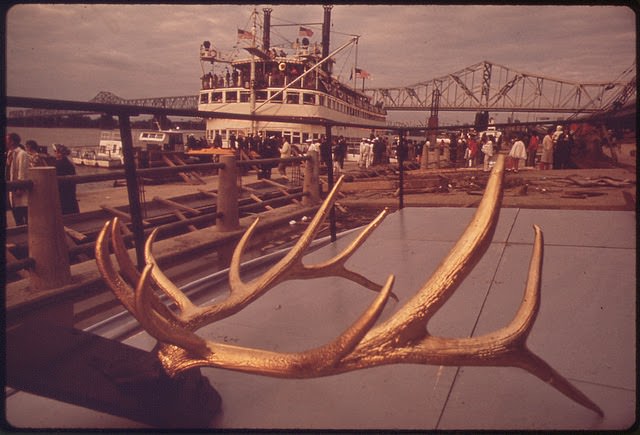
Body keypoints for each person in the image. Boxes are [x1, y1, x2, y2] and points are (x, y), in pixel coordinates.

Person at [6, 133, 29, 225]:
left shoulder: (22, 154)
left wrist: (20, 187)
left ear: (12, 141)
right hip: (11, 188)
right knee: (15, 212)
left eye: (7, 139)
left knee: (23, 211)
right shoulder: (9, 153)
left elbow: (22, 170)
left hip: (19, 189)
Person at [52, 144, 80, 214]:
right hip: (70, 191)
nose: (54, 153)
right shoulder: (69, 163)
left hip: (62, 192)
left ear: (59, 153)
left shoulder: (58, 164)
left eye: (55, 151)